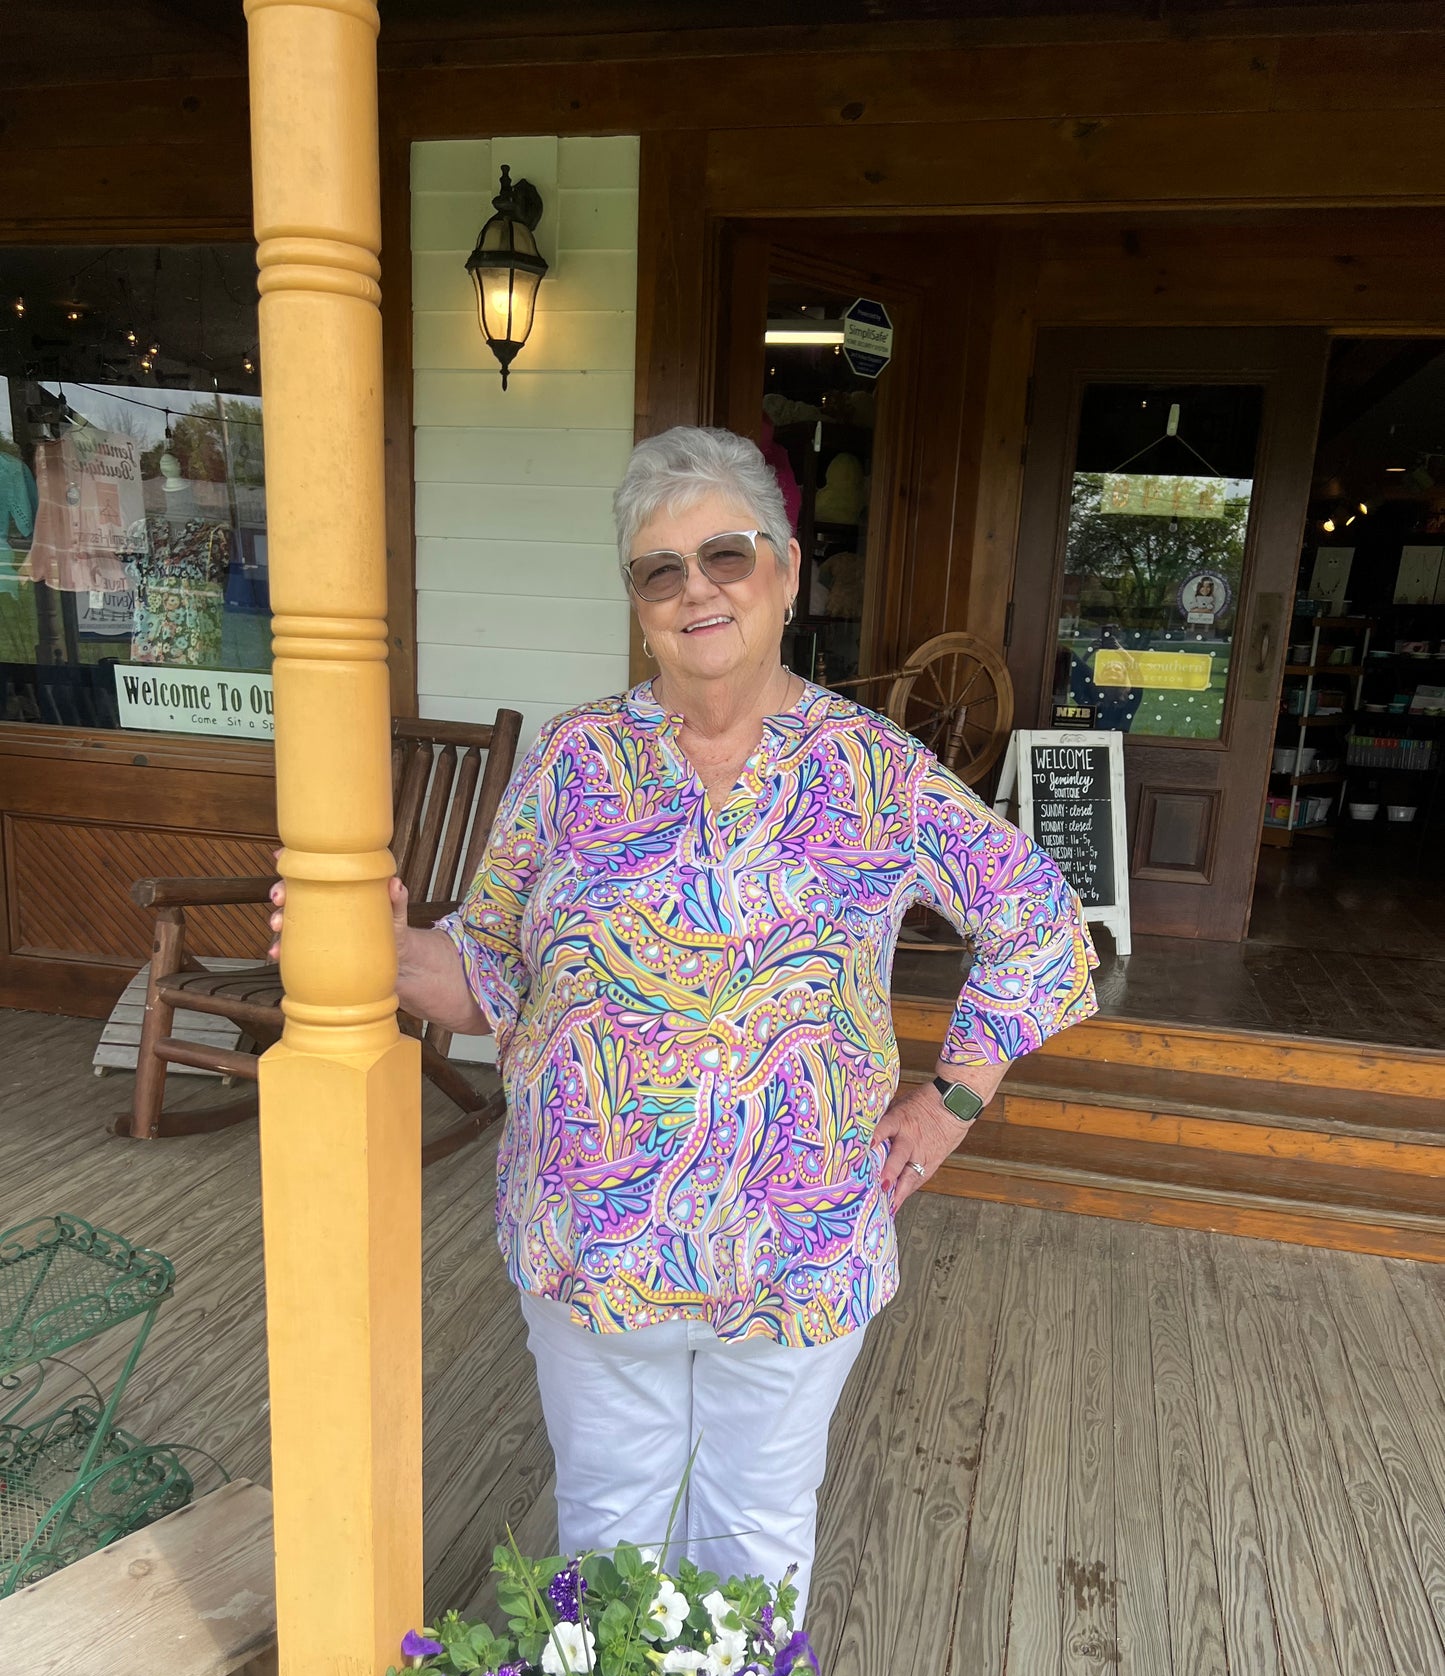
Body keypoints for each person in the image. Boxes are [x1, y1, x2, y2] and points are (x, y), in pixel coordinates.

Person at [269, 427, 1097, 1615]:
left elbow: (1035, 915)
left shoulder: (876, 772)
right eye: (660, 570)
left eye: (726, 554)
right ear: (637, 602)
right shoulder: (570, 760)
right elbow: (489, 970)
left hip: (796, 1240)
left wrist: (953, 1098)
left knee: (755, 1530)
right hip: (593, 1235)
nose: (695, 588)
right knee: (608, 1527)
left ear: (787, 571)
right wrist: (382, 952)